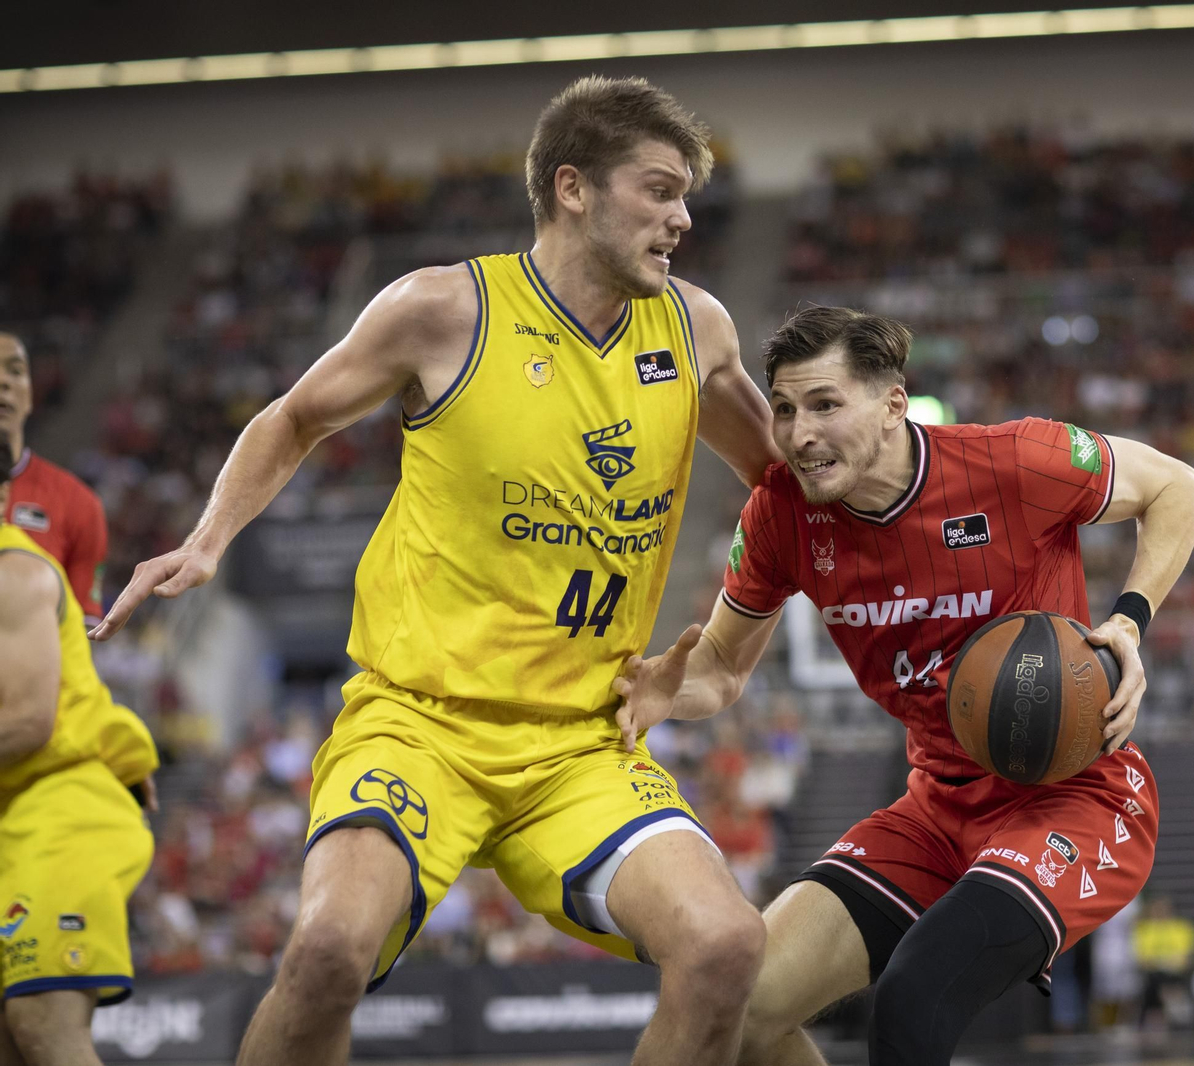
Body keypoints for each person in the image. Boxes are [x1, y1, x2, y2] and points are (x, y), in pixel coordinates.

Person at [92, 76, 781, 1066]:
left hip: (582, 742)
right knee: (327, 949)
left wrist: (724, 656)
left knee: (725, 945)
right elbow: (295, 415)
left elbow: (785, 495)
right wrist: (208, 538)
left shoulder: (695, 327)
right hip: (420, 724)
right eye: (660, 189)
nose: (682, 217)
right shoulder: (439, 309)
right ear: (573, 187)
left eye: (687, 199)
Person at [615, 306, 1194, 1065]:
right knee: (738, 1009)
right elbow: (722, 670)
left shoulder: (1013, 460)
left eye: (826, 404)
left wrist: (1127, 622)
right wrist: (670, 693)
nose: (799, 432)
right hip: (937, 809)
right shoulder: (781, 514)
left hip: (1078, 797)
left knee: (913, 998)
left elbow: (1181, 488)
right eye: (788, 409)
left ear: (894, 404)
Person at [0, 442, 160, 1066]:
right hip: (19, 819)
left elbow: (28, 723)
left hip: (66, 803)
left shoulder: (15, 572)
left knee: (42, 1024)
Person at [0, 333, 110, 625]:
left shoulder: (80, 505)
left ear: (30, 396)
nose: (4, 382)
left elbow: (81, 640)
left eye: (15, 371)